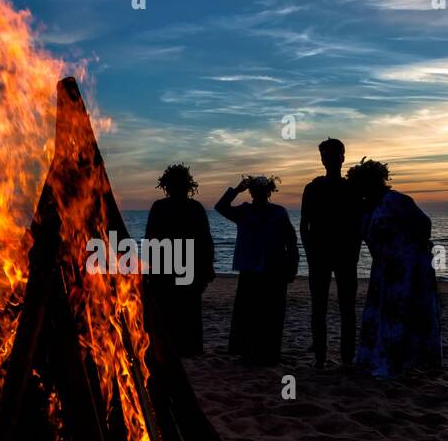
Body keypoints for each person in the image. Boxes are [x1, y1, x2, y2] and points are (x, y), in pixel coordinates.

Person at [346, 158, 442, 379]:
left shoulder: (396, 200)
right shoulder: (365, 208)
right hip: (383, 268)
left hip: (408, 268)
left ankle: (404, 361)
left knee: (403, 313)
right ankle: (382, 358)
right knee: (384, 314)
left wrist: (406, 247)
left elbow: (424, 226)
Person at [214, 174, 299, 365]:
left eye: (262, 191)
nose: (259, 194)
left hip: (273, 269)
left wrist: (292, 265)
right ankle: (248, 352)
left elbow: (291, 241)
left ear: (269, 192)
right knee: (248, 312)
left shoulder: (279, 212)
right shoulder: (244, 211)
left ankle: (268, 353)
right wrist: (236, 190)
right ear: (251, 192)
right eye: (255, 190)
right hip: (250, 268)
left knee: (271, 313)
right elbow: (220, 207)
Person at [300, 138, 363, 369]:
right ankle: (320, 357)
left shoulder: (352, 189)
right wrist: (309, 252)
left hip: (346, 255)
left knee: (347, 307)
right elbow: (304, 224)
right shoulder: (313, 187)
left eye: (334, 155)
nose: (329, 159)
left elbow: (359, 223)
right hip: (319, 255)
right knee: (319, 307)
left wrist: (355, 250)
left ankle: (347, 357)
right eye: (325, 156)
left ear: (342, 157)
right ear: (322, 159)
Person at [144, 163, 215, 356]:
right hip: (180, 268)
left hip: (169, 267)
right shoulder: (193, 208)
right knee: (185, 310)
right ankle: (185, 348)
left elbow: (150, 240)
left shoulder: (161, 207)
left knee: (177, 309)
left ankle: (176, 348)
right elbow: (205, 241)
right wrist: (207, 268)